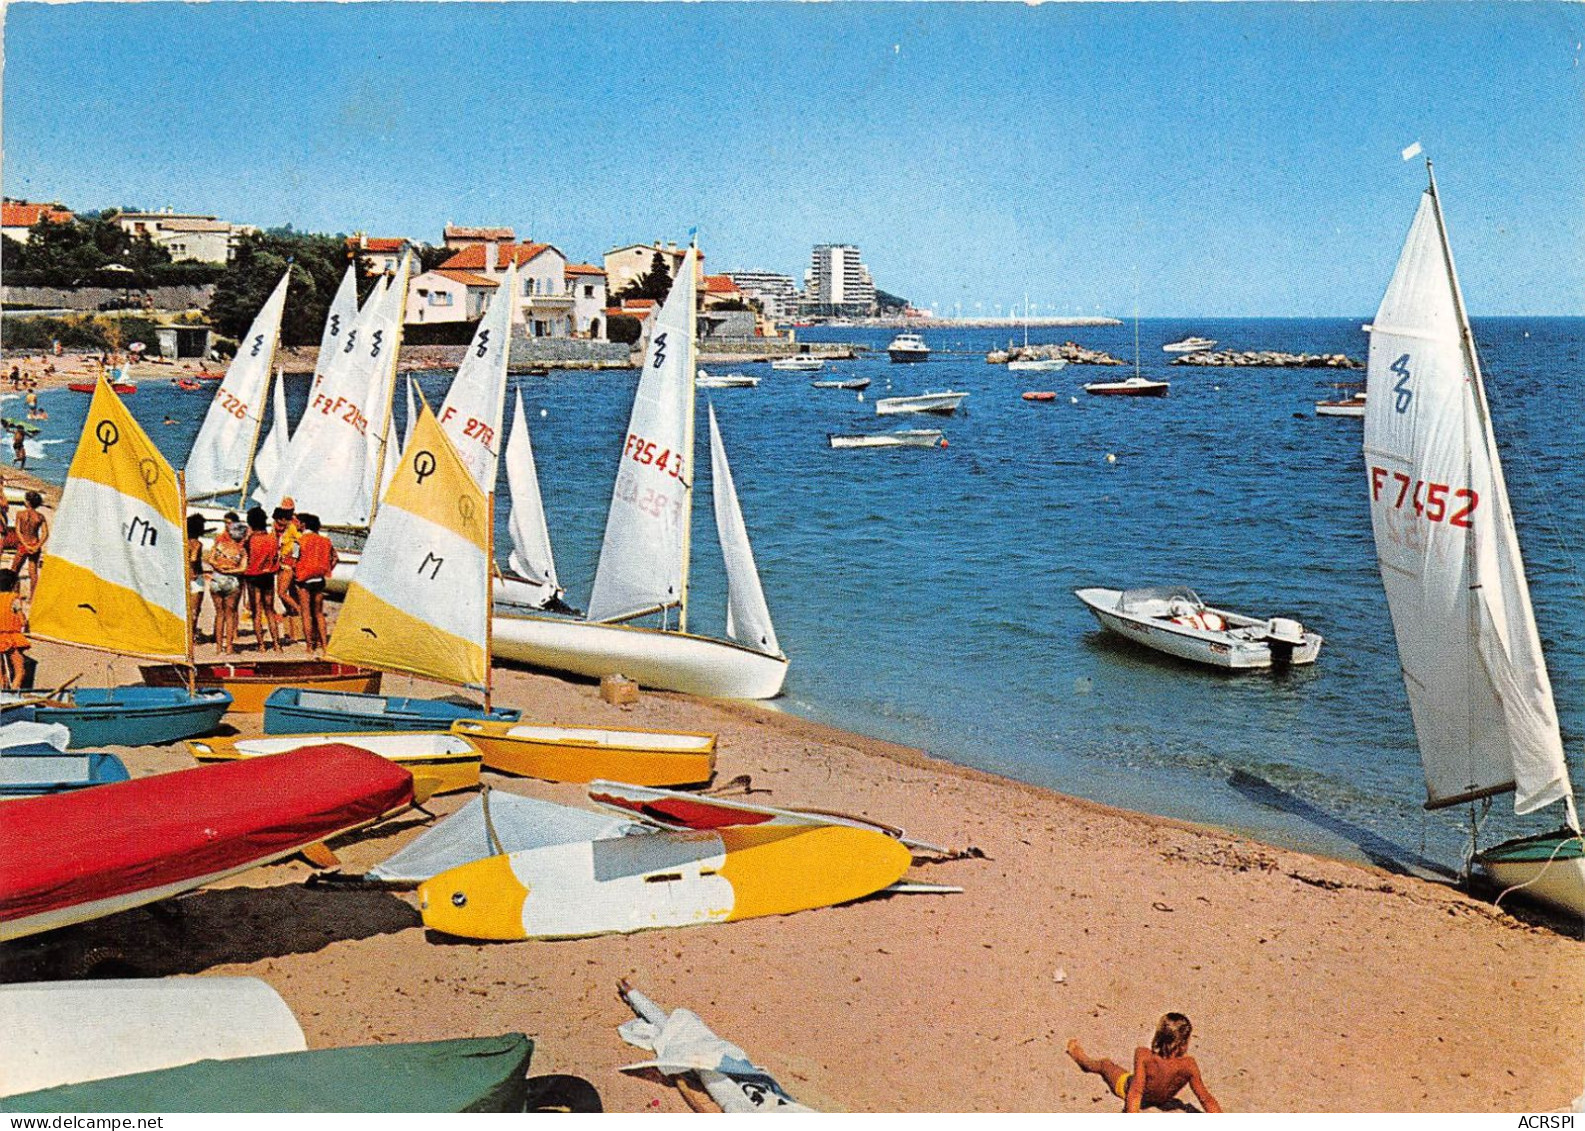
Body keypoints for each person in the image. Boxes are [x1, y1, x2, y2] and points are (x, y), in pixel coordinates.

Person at [1066, 1014, 1222, 1113]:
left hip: (1127, 1089)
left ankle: (1081, 1058)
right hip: (1162, 1099)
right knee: (1111, 1067)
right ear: (1182, 1044)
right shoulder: (1189, 1065)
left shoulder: (1145, 1056)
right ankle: (1081, 1058)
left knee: (1106, 1065)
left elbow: (1136, 1092)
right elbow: (1206, 1099)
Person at [292, 513, 338, 655]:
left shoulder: (298, 541)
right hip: (319, 579)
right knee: (318, 613)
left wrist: (296, 574)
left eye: (298, 522)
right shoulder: (325, 540)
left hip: (305, 580)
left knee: (306, 614)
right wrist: (327, 569)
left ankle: (309, 646)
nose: (296, 525)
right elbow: (335, 558)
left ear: (304, 525)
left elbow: (294, 561)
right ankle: (324, 645)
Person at [241, 506, 281, 651]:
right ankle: (277, 645)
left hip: (253, 577)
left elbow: (243, 557)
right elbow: (276, 559)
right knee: (270, 610)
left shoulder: (249, 541)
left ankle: (261, 645)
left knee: (256, 612)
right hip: (268, 576)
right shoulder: (272, 538)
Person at [206, 513, 247, 653]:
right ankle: (229, 646)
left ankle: (218, 647)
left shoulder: (220, 544)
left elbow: (210, 560)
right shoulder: (241, 550)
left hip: (217, 579)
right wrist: (230, 570)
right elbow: (243, 568)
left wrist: (219, 568)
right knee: (230, 615)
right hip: (232, 580)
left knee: (219, 614)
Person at [272, 502, 302, 646]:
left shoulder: (292, 525)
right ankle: (293, 633)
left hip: (289, 561)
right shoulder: (277, 525)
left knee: (283, 593)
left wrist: (295, 559)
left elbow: (298, 542)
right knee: (286, 596)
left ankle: (301, 612)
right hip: (281, 560)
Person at [11, 491, 48, 599]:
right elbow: (45, 533)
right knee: (33, 572)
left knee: (14, 570)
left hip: (24, 544)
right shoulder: (40, 516)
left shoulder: (20, 514)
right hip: (34, 543)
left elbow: (18, 531)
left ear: (27, 502)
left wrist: (24, 544)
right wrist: (37, 546)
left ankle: (15, 594)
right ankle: (32, 598)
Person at [0, 568, 30, 690]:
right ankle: (14, 692)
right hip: (11, 637)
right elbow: (22, 621)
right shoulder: (14, 599)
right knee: (20, 671)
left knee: (1, 674)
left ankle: (2, 694)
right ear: (13, 584)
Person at [186, 513, 209, 641]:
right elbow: (194, 559)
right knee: (195, 610)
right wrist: (193, 570)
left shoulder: (183, 542)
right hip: (195, 577)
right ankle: (192, 635)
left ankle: (186, 635)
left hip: (183, 576)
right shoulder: (197, 544)